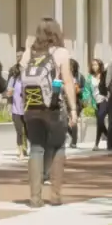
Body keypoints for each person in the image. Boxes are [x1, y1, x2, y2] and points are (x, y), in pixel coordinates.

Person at [18, 18, 79, 207]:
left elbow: (22, 80)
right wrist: (73, 110)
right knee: (58, 146)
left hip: (31, 108)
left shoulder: (28, 53)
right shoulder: (61, 53)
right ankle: (55, 195)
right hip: (53, 108)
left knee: (36, 148)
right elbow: (67, 82)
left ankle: (35, 198)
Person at [70, 58, 96, 149]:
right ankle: (73, 136)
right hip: (65, 101)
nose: (70, 69)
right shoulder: (63, 76)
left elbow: (85, 89)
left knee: (73, 121)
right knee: (63, 122)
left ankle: (74, 142)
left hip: (76, 101)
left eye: (72, 67)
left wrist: (78, 90)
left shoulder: (80, 77)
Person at [9, 60, 29, 160]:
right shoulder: (14, 79)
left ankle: (26, 148)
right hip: (16, 110)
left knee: (28, 131)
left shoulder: (30, 79)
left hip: (27, 110)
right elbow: (8, 91)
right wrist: (10, 92)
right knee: (19, 131)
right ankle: (20, 152)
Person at [89, 57, 109, 149]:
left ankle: (96, 144)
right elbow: (88, 89)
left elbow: (109, 66)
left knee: (100, 120)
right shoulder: (90, 77)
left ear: (100, 65)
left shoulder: (104, 75)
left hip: (104, 100)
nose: (94, 66)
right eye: (92, 65)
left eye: (96, 64)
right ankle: (109, 138)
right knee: (100, 123)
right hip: (95, 101)